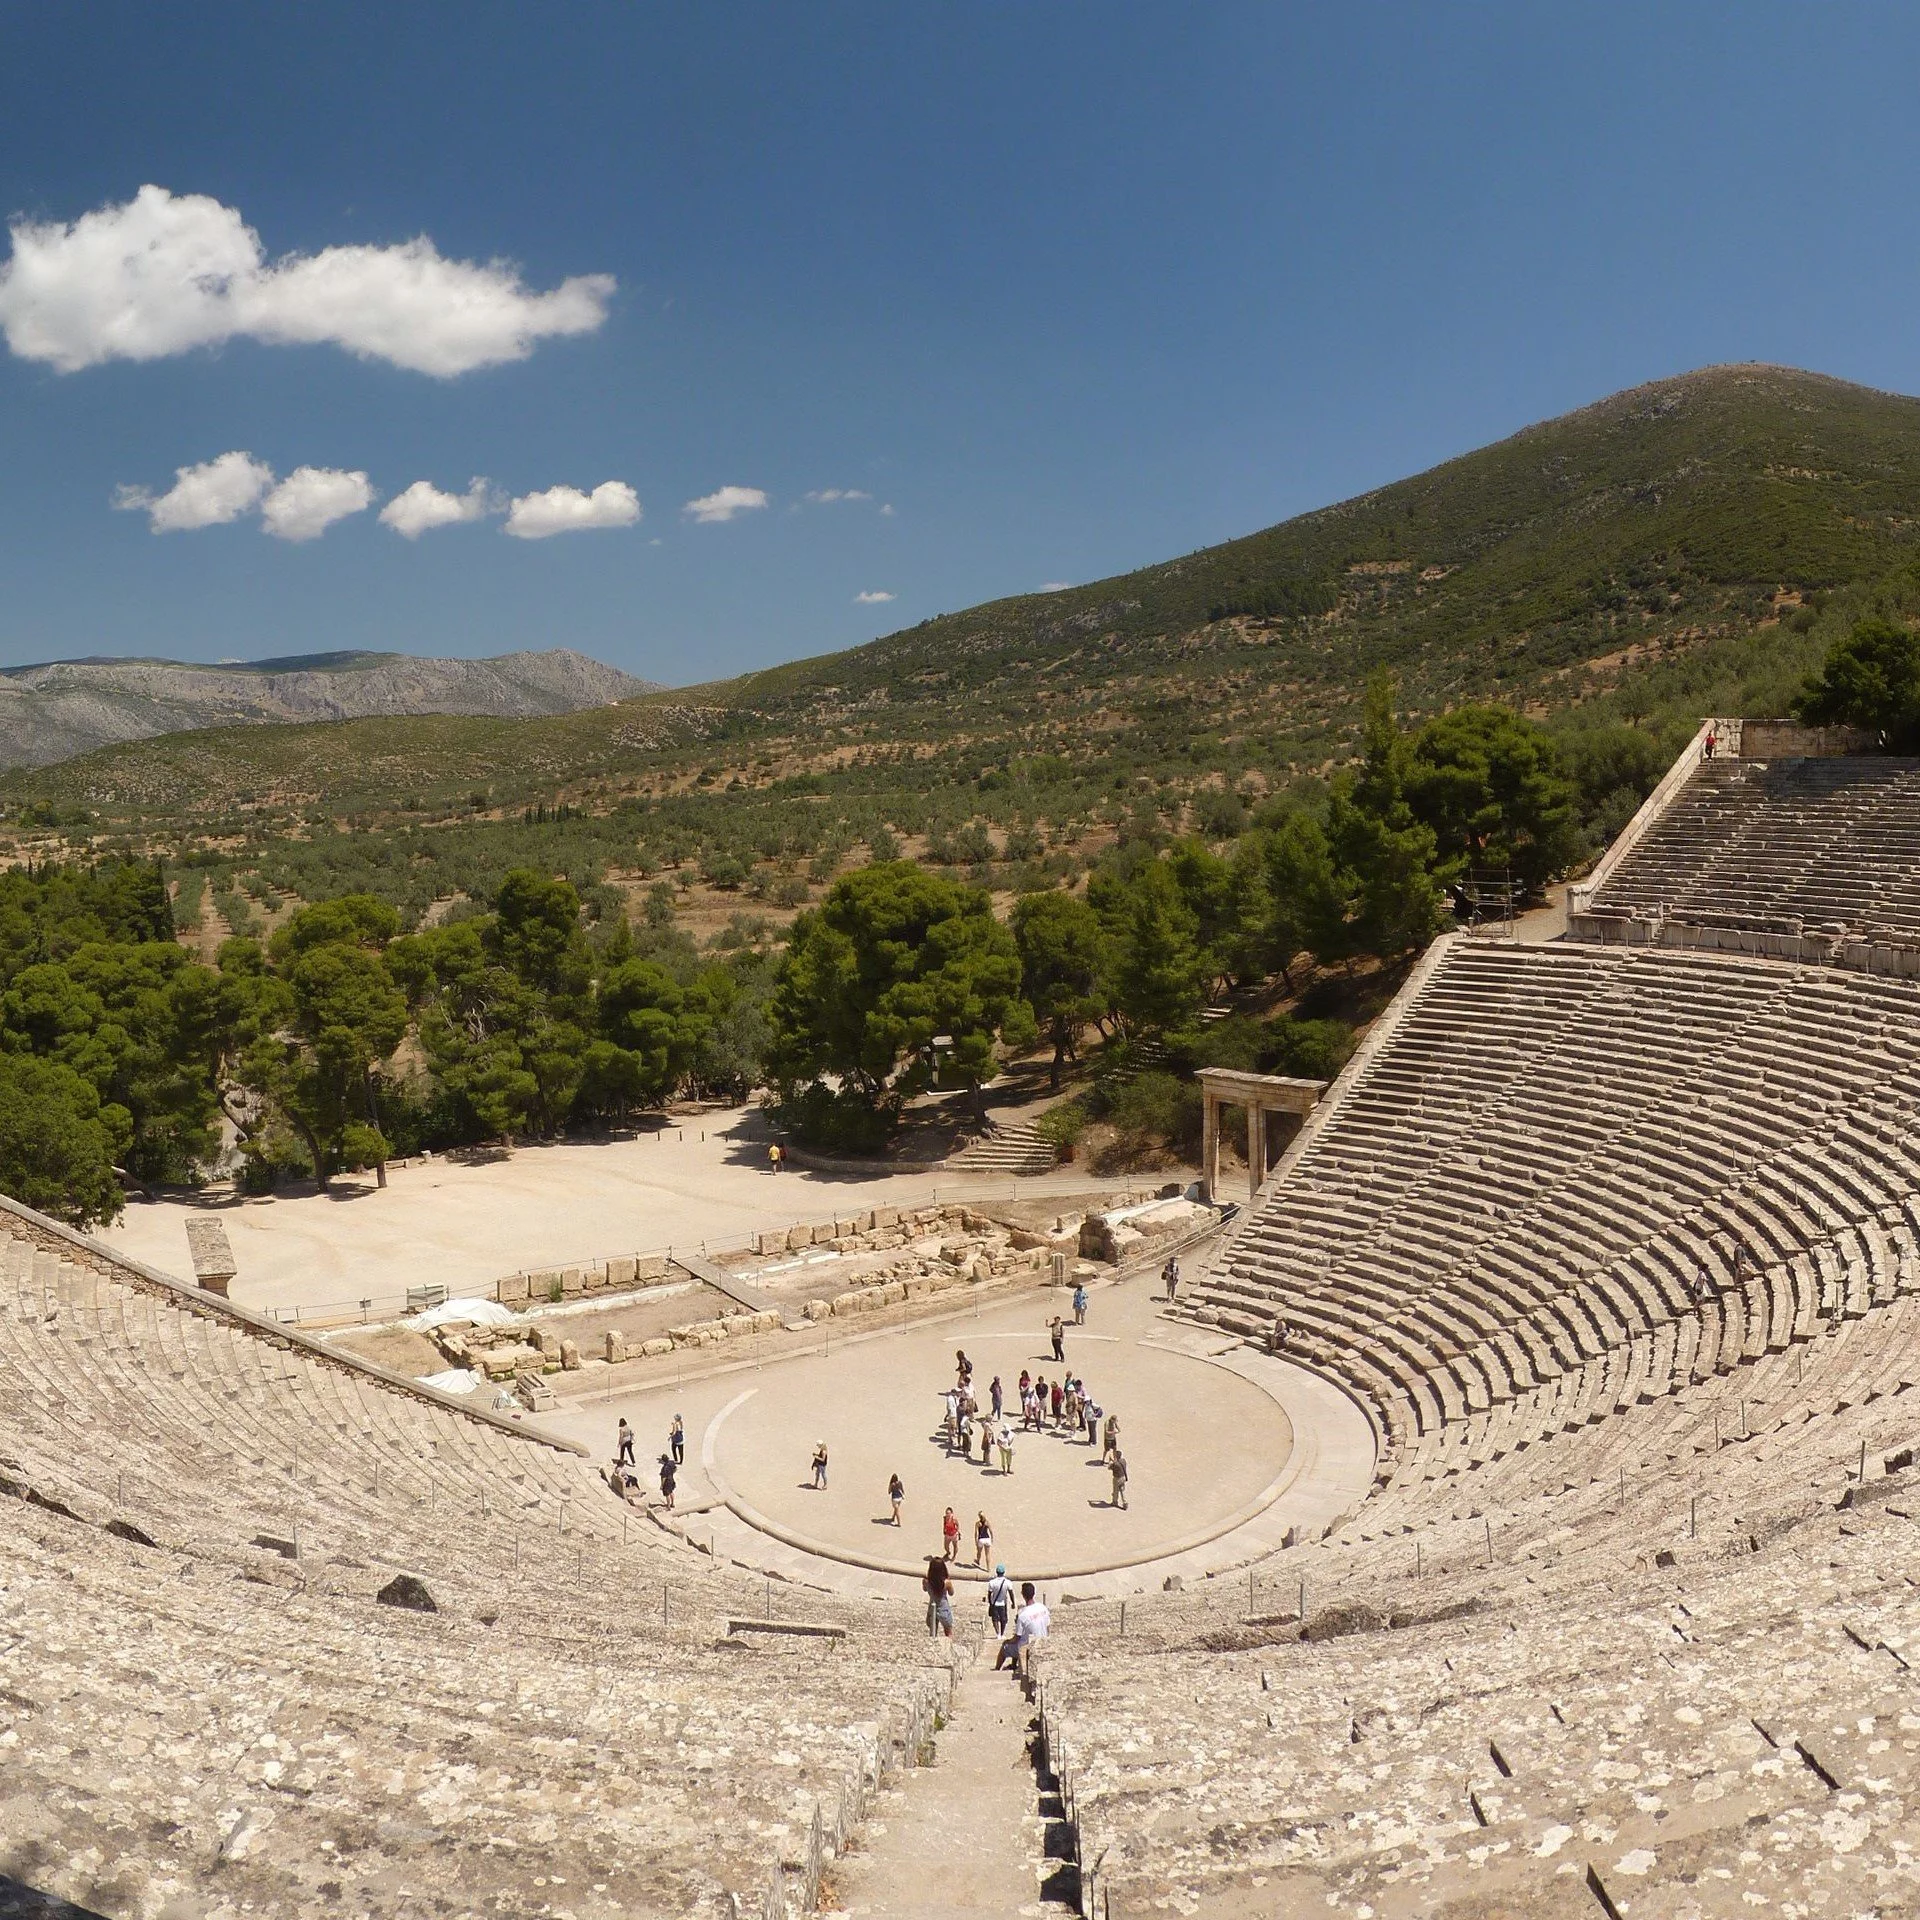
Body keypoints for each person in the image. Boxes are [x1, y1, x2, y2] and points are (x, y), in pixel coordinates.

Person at [996, 1580, 1050, 1673]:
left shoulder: (1023, 1615)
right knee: (1022, 1636)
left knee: (1005, 1647)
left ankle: (996, 1669)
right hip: (1042, 1640)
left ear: (1023, 1595)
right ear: (1034, 1593)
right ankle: (1013, 1665)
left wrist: (1007, 1641)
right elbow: (1048, 1626)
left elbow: (1017, 1637)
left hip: (1027, 1646)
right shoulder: (1043, 1608)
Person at [924, 1555, 954, 1639]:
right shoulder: (946, 1583)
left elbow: (924, 1589)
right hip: (943, 1607)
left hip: (932, 1606)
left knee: (933, 1631)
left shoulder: (926, 1581)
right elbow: (951, 1593)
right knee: (948, 1631)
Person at [986, 1563, 1015, 1636]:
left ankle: (997, 1633)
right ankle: (1002, 1634)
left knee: (995, 1619)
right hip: (1003, 1603)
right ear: (1004, 1572)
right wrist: (1013, 1603)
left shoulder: (992, 1582)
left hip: (994, 1603)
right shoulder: (1007, 1582)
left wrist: (990, 1603)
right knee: (1003, 1619)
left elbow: (989, 1594)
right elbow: (1011, 1593)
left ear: (996, 1572)